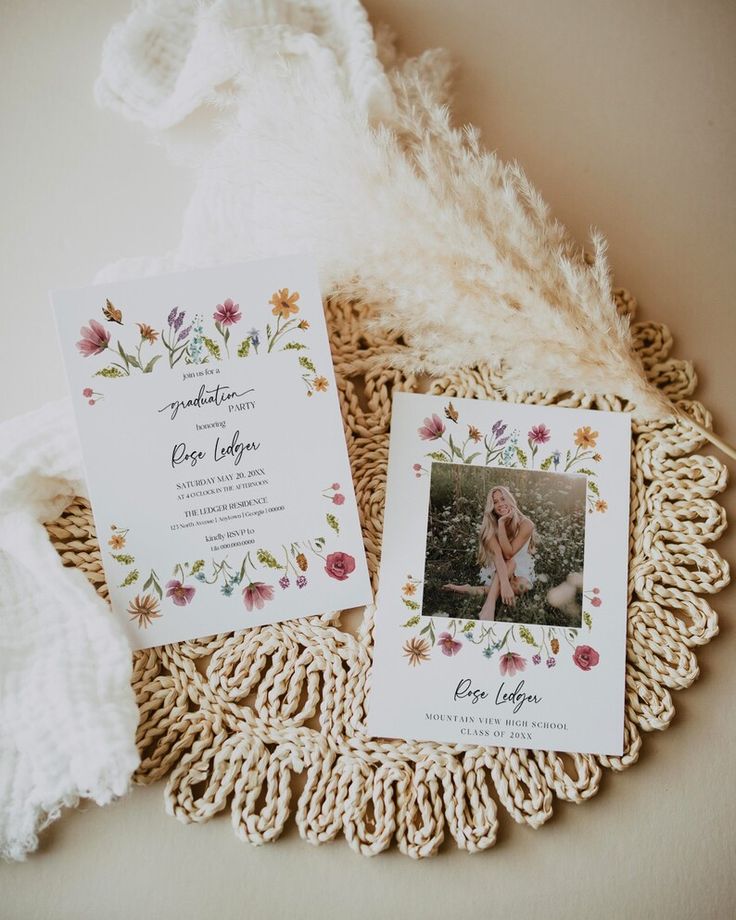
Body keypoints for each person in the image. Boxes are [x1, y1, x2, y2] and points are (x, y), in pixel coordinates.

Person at [443, 485, 536, 621]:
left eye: (503, 499)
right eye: (495, 502)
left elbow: (509, 553)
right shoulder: (490, 526)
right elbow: (501, 557)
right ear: (492, 506)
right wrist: (504, 583)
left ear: (510, 500)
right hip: (498, 567)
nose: (500, 504)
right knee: (510, 563)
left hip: (520, 567)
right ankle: (489, 605)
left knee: (523, 586)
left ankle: (470, 589)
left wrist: (503, 525)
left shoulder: (526, 524)